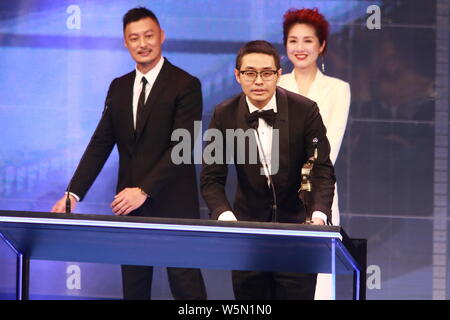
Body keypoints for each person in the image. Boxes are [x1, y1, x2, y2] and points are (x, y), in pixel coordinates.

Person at [51, 7, 207, 300]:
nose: (142, 43)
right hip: (129, 206)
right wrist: (73, 193)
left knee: (187, 287)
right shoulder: (119, 87)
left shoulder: (186, 85)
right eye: (134, 38)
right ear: (125, 42)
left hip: (174, 203)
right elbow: (100, 143)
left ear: (161, 36)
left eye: (148, 35)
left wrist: (144, 189)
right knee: (134, 288)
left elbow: (182, 147)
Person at [200, 40, 335, 300]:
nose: (258, 81)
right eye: (250, 73)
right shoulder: (224, 114)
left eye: (267, 73)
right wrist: (228, 221)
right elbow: (211, 178)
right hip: (247, 238)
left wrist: (318, 216)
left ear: (278, 74)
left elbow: (321, 169)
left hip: (297, 235)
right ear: (237, 75)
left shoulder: (305, 110)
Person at [277, 7, 351, 300]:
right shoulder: (275, 85)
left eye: (308, 41)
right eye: (293, 40)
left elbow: (328, 146)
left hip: (320, 190)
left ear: (321, 46)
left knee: (319, 280)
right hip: (276, 192)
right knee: (278, 272)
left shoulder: (338, 89)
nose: (300, 47)